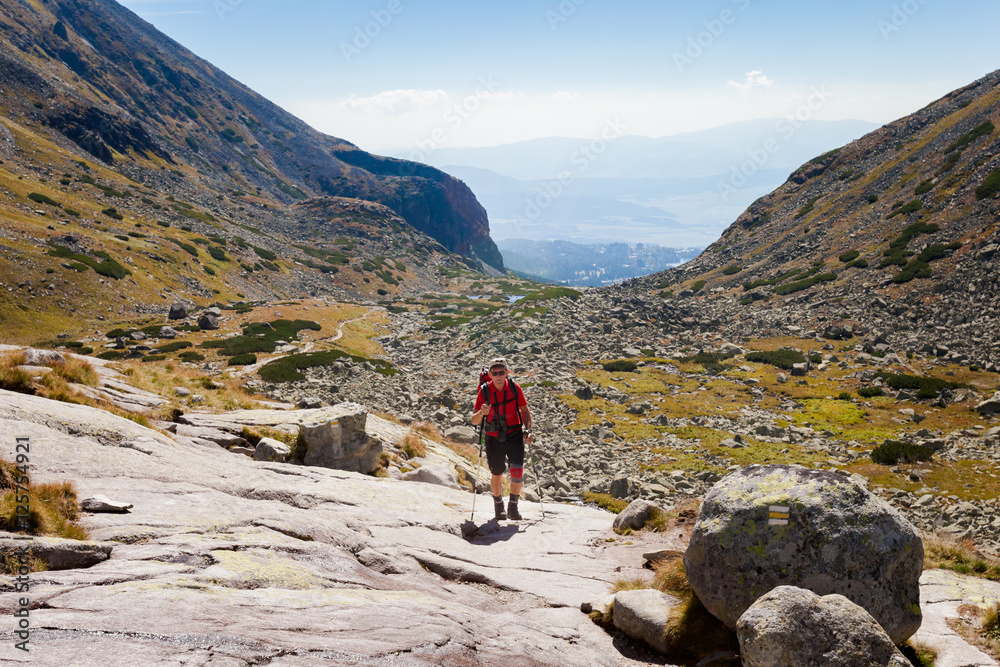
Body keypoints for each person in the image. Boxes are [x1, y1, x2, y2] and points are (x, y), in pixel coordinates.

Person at [471, 357, 534, 520]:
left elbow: (525, 410)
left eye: (501, 372)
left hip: (514, 434)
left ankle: (513, 507)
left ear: (507, 372)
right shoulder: (484, 391)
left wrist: (528, 430)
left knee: (517, 472)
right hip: (493, 437)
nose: (498, 375)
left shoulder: (514, 388)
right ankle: (499, 506)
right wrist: (481, 413)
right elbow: (474, 421)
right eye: (495, 372)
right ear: (490, 374)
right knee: (497, 472)